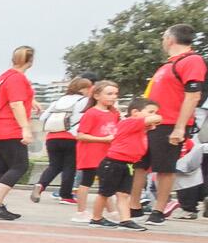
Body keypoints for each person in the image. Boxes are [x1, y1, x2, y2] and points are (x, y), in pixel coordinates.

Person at [137, 25, 205, 223]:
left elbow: (192, 96)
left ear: (169, 39)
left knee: (165, 167)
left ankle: (159, 210)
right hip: (151, 123)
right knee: (140, 165)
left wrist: (179, 127)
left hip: (169, 123)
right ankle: (134, 206)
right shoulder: (167, 65)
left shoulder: (192, 61)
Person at [0, 46, 37, 219]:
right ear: (30, 61)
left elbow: (8, 98)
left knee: (2, 168)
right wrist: (25, 129)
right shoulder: (17, 78)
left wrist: (32, 101)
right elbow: (15, 104)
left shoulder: (4, 76)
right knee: (20, 166)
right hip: (9, 129)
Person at [32, 76, 93, 205]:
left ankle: (40, 185)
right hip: (71, 137)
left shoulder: (59, 100)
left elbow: (43, 117)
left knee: (54, 166)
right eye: (89, 88)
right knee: (69, 167)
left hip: (52, 138)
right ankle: (65, 195)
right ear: (83, 89)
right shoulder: (84, 101)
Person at [98, 98, 155, 230]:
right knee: (105, 193)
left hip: (128, 163)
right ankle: (96, 217)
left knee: (123, 194)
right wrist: (154, 118)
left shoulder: (139, 128)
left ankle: (125, 220)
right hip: (114, 162)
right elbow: (156, 119)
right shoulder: (129, 122)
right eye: (150, 111)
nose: (153, 115)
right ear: (135, 112)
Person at [72, 81, 120, 224]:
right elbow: (81, 135)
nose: (113, 97)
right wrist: (104, 139)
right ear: (97, 95)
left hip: (106, 153)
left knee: (106, 183)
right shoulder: (91, 113)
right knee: (87, 181)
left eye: (115, 94)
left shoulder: (113, 113)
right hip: (91, 153)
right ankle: (81, 211)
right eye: (109, 94)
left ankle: (112, 211)